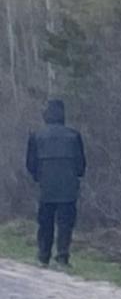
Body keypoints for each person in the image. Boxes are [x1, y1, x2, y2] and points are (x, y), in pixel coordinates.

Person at [25, 98, 86, 267]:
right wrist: (75, 177)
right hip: (68, 188)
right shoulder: (74, 136)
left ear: (46, 116)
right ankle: (62, 256)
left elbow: (30, 164)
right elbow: (81, 165)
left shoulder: (36, 136)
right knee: (65, 224)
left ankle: (43, 256)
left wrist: (39, 177)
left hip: (46, 188)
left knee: (45, 223)